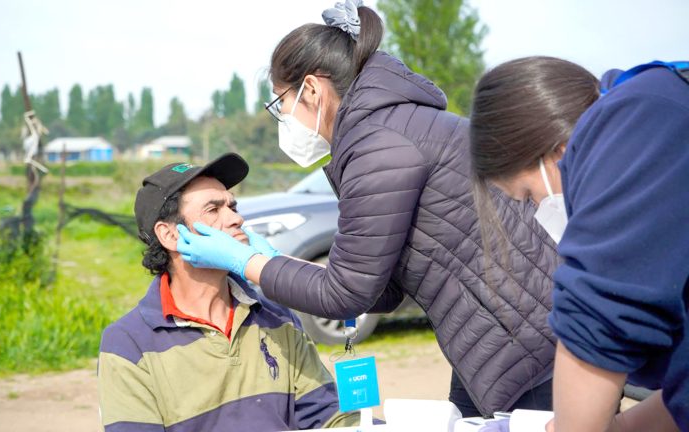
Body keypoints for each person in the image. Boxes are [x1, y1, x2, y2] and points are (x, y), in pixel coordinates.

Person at [175, 0, 561, 417]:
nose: (282, 116)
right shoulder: (391, 127)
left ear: (311, 89)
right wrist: (278, 263)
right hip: (507, 336)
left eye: (279, 103)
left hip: (527, 345)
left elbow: (345, 293)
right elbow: (381, 287)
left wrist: (247, 261)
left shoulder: (377, 145)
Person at [469, 57, 688, 431]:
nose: (539, 210)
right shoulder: (656, 113)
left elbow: (601, 313)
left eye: (527, 194)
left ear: (557, 151)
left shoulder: (635, 119)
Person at [97, 153, 359, 431]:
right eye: (213, 209)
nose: (236, 218)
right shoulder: (128, 343)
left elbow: (328, 415)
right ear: (170, 235)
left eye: (232, 206)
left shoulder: (277, 319)